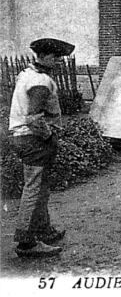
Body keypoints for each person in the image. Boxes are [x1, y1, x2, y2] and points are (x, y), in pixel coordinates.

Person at [8, 38, 74, 257]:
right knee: (34, 190)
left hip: (25, 138)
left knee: (41, 188)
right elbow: (34, 118)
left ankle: (43, 230)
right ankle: (26, 243)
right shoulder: (41, 82)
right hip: (33, 140)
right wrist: (49, 137)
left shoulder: (27, 74)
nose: (59, 61)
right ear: (43, 56)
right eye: (55, 57)